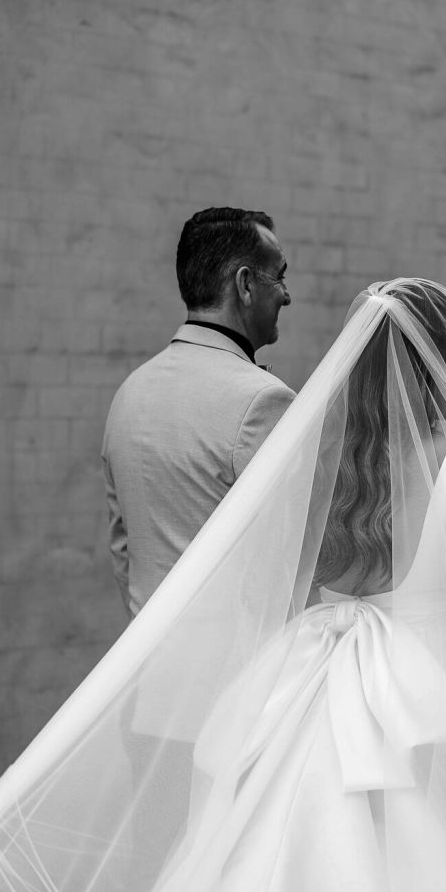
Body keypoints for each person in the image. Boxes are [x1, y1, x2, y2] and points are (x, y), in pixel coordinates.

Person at [0, 279, 446, 892]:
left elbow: (282, 588)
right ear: (437, 359)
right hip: (420, 707)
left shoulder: (321, 456)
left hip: (316, 684)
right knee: (414, 862)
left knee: (283, 850)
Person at [102, 206, 294, 619]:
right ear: (245, 284)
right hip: (238, 672)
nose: (286, 294)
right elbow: (295, 555)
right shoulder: (263, 399)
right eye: (279, 276)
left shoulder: (129, 392)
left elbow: (124, 548)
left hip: (146, 662)